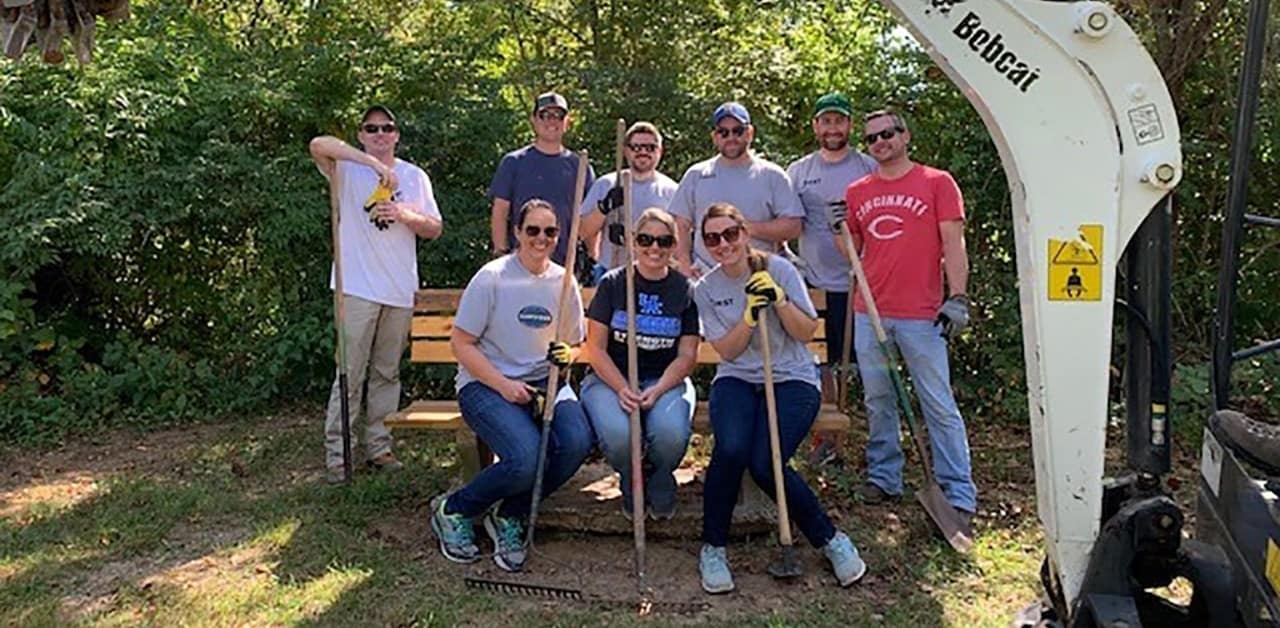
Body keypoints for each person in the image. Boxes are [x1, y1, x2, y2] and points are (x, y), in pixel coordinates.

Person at [692, 203, 866, 594]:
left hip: (792, 378)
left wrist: (779, 300)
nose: (723, 244)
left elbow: (806, 332)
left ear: (744, 232)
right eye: (712, 238)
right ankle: (713, 547)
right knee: (732, 449)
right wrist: (750, 317)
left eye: (730, 234)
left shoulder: (779, 270)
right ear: (704, 244)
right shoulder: (706, 289)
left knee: (766, 461)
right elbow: (730, 352)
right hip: (737, 379)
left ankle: (831, 540)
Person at [429, 199, 594, 573]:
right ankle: (455, 509)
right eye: (532, 230)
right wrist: (502, 385)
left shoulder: (564, 280)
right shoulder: (493, 277)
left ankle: (510, 514)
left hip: (544, 384)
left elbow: (577, 344)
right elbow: (461, 343)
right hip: (485, 384)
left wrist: (568, 354)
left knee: (577, 442)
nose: (541, 238)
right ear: (517, 233)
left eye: (550, 231)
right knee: (524, 458)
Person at [837, 109, 978, 531]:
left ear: (905, 136)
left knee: (937, 402)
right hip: (871, 311)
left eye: (888, 134)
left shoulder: (937, 183)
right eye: (872, 138)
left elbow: (954, 244)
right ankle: (885, 476)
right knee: (879, 399)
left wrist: (958, 298)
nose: (880, 142)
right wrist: (837, 232)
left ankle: (958, 491)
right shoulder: (858, 190)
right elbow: (855, 251)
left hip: (921, 316)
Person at [309, 105, 443, 485]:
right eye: (372, 128)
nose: (381, 134)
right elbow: (318, 144)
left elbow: (434, 227)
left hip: (399, 289)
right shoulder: (345, 168)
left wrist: (403, 213)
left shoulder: (415, 176)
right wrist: (371, 164)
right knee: (349, 373)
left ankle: (379, 447)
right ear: (362, 134)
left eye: (387, 128)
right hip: (356, 287)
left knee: (387, 372)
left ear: (397, 134)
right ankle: (340, 456)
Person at [581, 208, 698, 521]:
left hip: (664, 380)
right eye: (646, 239)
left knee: (671, 433)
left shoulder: (683, 289)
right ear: (633, 242)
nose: (654, 248)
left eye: (663, 241)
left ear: (674, 245)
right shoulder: (614, 284)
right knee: (619, 433)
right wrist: (621, 387)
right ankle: (631, 476)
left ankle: (659, 474)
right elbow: (595, 348)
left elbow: (687, 355)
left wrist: (659, 389)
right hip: (610, 379)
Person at [787, 92, 880, 464]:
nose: (832, 128)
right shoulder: (799, 171)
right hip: (814, 283)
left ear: (849, 126)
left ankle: (868, 441)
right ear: (815, 126)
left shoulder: (868, 167)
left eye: (839, 121)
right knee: (820, 361)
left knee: (862, 364)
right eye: (826, 121)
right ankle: (826, 440)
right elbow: (788, 219)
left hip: (861, 283)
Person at [668, 101, 804, 278]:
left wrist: (743, 229)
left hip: (759, 275)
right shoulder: (697, 175)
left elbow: (793, 227)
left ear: (750, 133)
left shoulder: (772, 175)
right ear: (715, 137)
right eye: (723, 132)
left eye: (737, 131)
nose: (730, 137)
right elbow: (680, 224)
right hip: (706, 278)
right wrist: (684, 265)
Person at [489, 91, 595, 265]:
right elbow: (500, 212)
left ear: (567, 122)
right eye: (545, 115)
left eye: (558, 116)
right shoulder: (513, 162)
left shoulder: (580, 167)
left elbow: (589, 219)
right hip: (521, 263)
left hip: (566, 266)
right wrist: (501, 254)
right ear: (534, 119)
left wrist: (593, 258)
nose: (552, 121)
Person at [579, 122, 678, 281]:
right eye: (636, 147)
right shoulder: (607, 184)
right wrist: (604, 208)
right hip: (611, 272)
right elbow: (582, 232)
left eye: (650, 148)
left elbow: (679, 242)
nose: (643, 152)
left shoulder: (672, 191)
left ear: (660, 151)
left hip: (655, 275)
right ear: (626, 151)